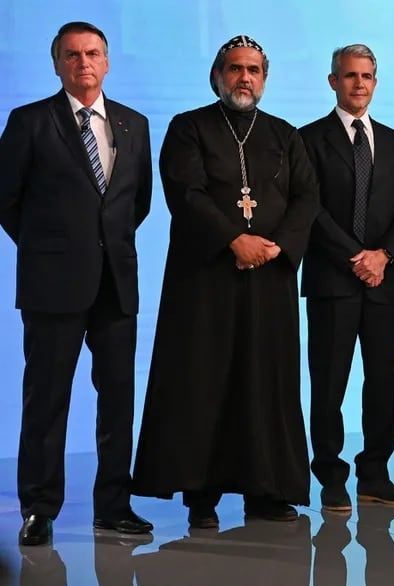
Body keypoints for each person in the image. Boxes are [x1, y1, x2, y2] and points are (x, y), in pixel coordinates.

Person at [131, 35, 319, 526]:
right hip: (206, 281)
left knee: (266, 383)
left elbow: (306, 199)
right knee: (204, 381)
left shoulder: (285, 134)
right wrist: (235, 240)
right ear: (217, 76)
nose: (244, 78)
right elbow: (187, 194)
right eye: (234, 69)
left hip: (269, 280)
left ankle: (267, 490)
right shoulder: (188, 127)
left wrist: (274, 247)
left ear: (265, 77)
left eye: (253, 69)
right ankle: (202, 495)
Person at [0, 21, 153, 546]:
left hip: (116, 283)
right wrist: (51, 248)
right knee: (46, 399)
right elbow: (8, 201)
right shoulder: (29, 122)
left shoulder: (134, 124)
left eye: (92, 54)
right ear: (57, 64)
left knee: (117, 399)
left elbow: (137, 204)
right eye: (71, 55)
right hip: (52, 285)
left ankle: (114, 504)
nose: (83, 63)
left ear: (107, 62)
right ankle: (38, 509)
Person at [300, 44, 394, 511]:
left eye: (367, 76)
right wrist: (357, 256)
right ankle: (330, 476)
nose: (359, 84)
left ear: (376, 81)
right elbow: (310, 208)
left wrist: (384, 255)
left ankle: (376, 473)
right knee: (329, 383)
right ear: (333, 81)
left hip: (384, 282)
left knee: (382, 381)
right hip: (333, 280)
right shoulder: (308, 139)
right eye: (349, 76)